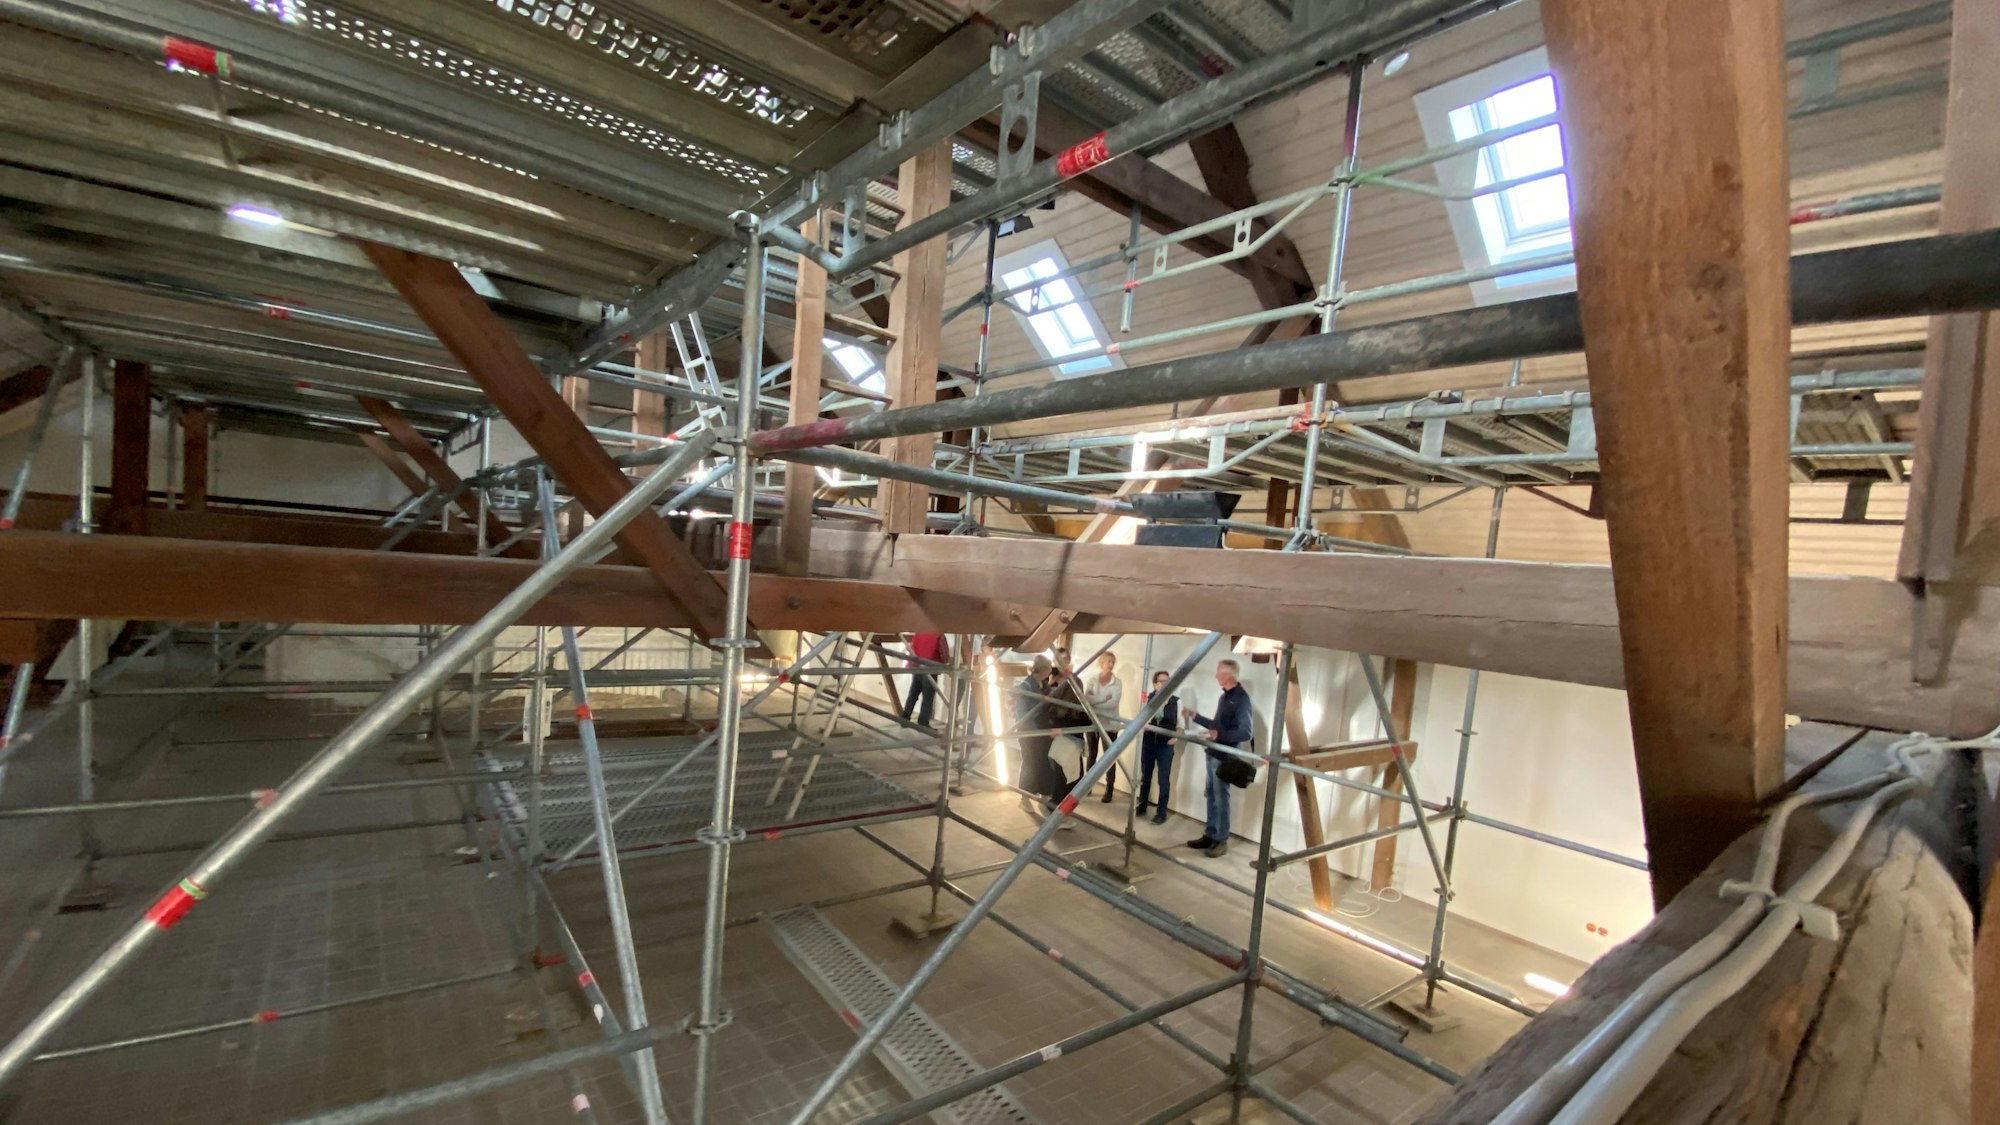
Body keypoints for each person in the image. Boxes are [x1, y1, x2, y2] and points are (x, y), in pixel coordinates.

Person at [1183, 659, 1252, 858]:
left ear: (1228, 675)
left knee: (1222, 798)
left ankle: (1221, 840)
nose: (1215, 676)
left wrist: (1219, 736)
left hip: (1225, 758)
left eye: (1218, 673)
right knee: (1211, 796)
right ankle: (1210, 834)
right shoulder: (1225, 697)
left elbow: (1245, 733)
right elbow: (1216, 726)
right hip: (1213, 754)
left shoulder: (1241, 699)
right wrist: (1196, 717)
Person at [1012, 656, 1072, 827]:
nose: (1049, 671)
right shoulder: (1026, 687)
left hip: (1043, 732)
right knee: (1030, 763)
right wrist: (1035, 727)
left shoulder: (1044, 686)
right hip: (1030, 732)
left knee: (1045, 764)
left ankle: (1043, 797)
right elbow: (1023, 714)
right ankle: (1024, 797)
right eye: (1048, 668)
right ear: (1042, 668)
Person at [1079, 651, 1123, 802]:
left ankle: (1109, 789)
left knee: (1109, 757)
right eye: (1108, 661)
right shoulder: (1092, 679)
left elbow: (1113, 703)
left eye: (1112, 662)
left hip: (1110, 725)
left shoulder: (1117, 683)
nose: (1110, 665)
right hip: (1093, 723)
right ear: (1101, 663)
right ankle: (1088, 786)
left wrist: (1096, 701)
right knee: (1091, 754)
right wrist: (1103, 699)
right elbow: (1087, 699)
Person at [1137, 670, 1178, 824]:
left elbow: (1180, 725)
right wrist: (1144, 725)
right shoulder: (1149, 699)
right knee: (1145, 775)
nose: (1165, 684)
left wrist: (1176, 737)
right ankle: (1142, 805)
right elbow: (1141, 718)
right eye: (1161, 681)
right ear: (1155, 684)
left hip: (1165, 745)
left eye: (1167, 681)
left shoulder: (1175, 701)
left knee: (1163, 779)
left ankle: (1161, 812)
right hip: (1149, 742)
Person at [901, 632, 947, 728]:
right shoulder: (938, 635)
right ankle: (923, 722)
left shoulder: (919, 632)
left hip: (917, 666)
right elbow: (944, 653)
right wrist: (945, 662)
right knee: (928, 697)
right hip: (930, 668)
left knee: (913, 694)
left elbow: (912, 648)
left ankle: (905, 718)